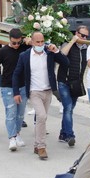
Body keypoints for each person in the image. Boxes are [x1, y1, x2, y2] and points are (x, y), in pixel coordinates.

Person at [12, 31, 69, 160]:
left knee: (41, 119)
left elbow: (66, 63)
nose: (40, 44)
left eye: (42, 41)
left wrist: (56, 52)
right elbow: (16, 74)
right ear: (32, 42)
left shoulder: (49, 54)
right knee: (41, 116)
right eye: (37, 42)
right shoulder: (25, 56)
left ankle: (37, 145)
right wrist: (16, 92)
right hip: (34, 92)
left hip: (48, 91)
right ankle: (42, 146)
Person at [0, 28, 30, 151]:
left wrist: (29, 41)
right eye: (13, 43)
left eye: (18, 42)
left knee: (20, 114)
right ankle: (12, 137)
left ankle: (17, 134)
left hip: (23, 85)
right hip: (7, 86)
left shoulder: (25, 48)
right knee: (11, 113)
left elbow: (39, 44)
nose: (16, 45)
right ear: (9, 40)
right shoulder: (3, 51)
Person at [56, 25, 90, 147]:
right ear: (76, 33)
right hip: (64, 81)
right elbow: (62, 54)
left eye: (86, 36)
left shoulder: (87, 49)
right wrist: (73, 41)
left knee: (68, 109)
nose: (84, 38)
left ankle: (63, 133)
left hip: (76, 83)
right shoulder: (68, 44)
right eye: (82, 35)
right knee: (68, 107)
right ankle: (70, 135)